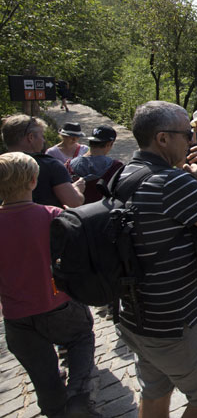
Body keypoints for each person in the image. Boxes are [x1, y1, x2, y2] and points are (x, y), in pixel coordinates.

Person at [114, 101, 197, 418]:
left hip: (134, 317)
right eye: (187, 134)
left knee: (155, 393)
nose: (192, 140)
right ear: (162, 138)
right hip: (176, 323)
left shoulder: (123, 174)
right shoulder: (172, 182)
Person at [0, 152, 99, 417]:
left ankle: (54, 409)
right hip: (58, 303)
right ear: (33, 181)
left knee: (41, 372)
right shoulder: (52, 215)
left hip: (17, 316)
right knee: (80, 337)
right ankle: (79, 395)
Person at [1, 114, 85, 208]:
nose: (43, 140)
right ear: (31, 137)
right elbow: (74, 202)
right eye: (42, 136)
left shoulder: (2, 164)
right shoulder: (51, 165)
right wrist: (77, 188)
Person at [67, 125, 124, 204]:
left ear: (90, 142)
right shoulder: (116, 167)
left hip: (75, 209)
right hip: (102, 210)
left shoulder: (69, 165)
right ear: (109, 143)